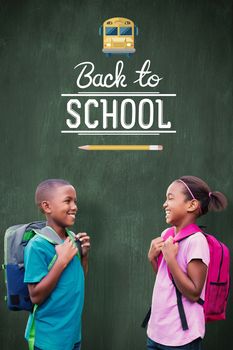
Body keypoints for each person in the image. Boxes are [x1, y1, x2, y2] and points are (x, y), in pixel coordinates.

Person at [147, 175, 227, 350]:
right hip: (157, 332)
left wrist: (170, 260)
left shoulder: (196, 241)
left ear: (192, 205)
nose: (164, 204)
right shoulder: (167, 234)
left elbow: (193, 293)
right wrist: (153, 258)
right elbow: (168, 281)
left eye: (170, 198)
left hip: (182, 337)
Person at [24, 179, 90, 350]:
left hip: (73, 335)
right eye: (67, 201)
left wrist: (83, 257)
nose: (74, 206)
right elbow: (36, 296)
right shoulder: (37, 246)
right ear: (47, 206)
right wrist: (61, 261)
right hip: (50, 340)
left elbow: (78, 281)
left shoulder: (71, 239)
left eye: (75, 201)